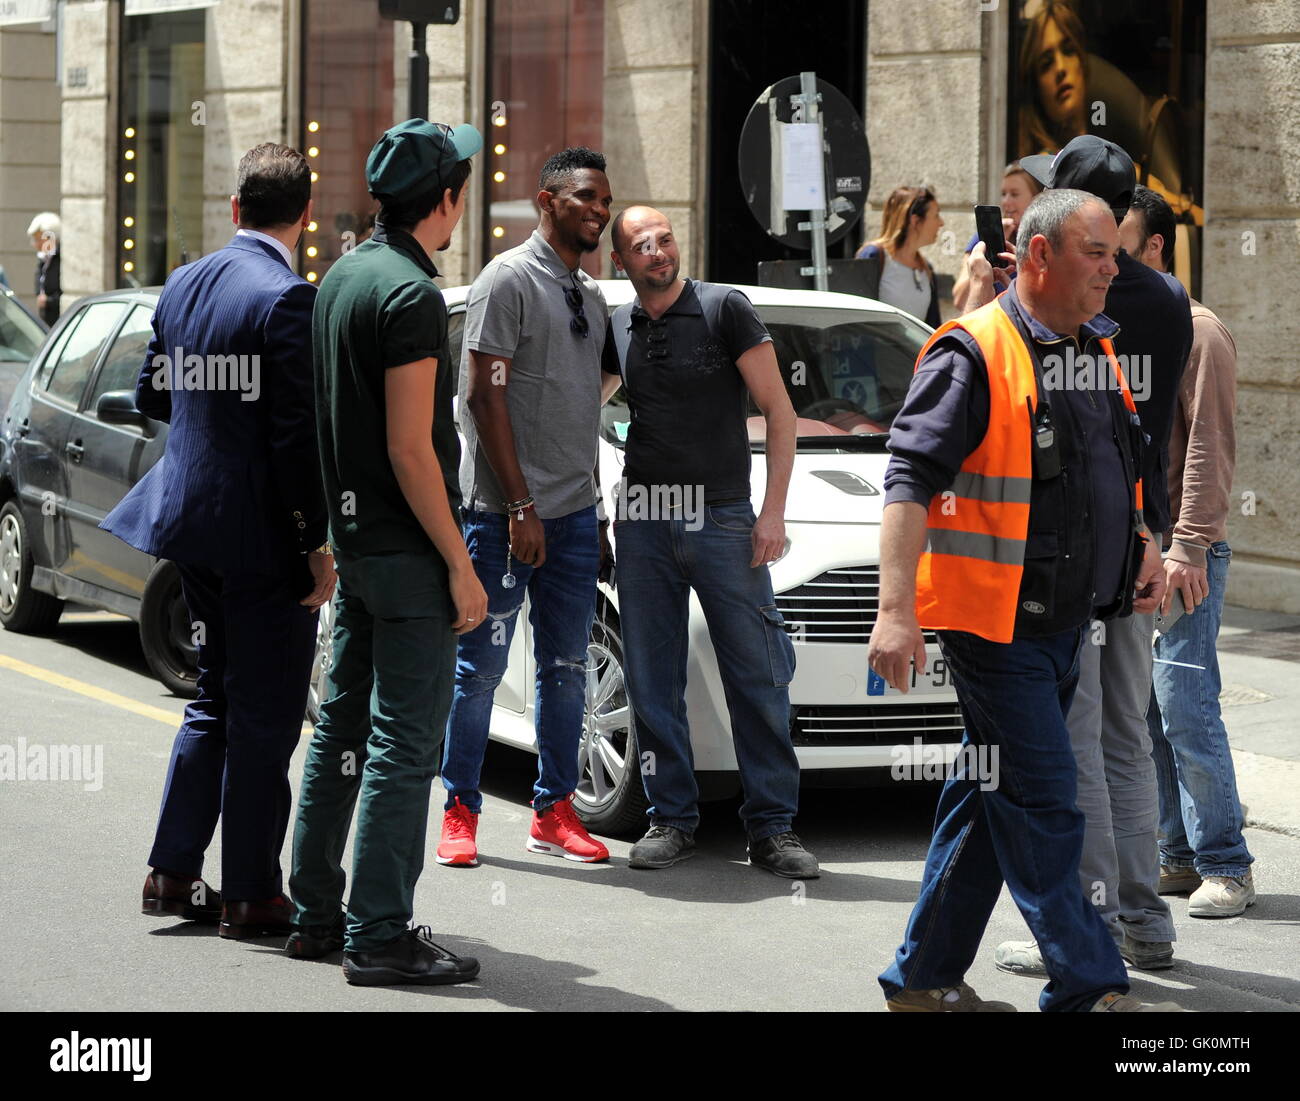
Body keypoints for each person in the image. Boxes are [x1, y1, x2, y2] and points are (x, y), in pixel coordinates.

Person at [870, 188, 1182, 1013]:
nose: (1114, 269)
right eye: (1096, 252)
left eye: (1116, 253)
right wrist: (894, 610)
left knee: (986, 792)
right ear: (1038, 256)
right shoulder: (972, 349)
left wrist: (1144, 545)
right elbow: (908, 480)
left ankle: (921, 976)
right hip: (993, 625)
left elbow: (1114, 466)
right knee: (1046, 800)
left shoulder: (1091, 348)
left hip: (1062, 622)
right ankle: (1090, 984)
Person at [102, 144, 336, 939]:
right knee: (265, 717)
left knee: (214, 699)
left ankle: (170, 873)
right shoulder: (287, 299)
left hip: (190, 523)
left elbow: (152, 395)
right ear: (304, 216)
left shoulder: (186, 281)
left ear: (236, 208)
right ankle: (249, 893)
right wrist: (315, 544)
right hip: (262, 538)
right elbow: (295, 441)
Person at [288, 119, 487, 986]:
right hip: (407, 551)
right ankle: (377, 934)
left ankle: (316, 911)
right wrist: (460, 560)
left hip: (359, 542)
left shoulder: (340, 276)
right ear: (443, 201)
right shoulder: (407, 294)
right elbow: (412, 447)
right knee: (405, 743)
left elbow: (337, 428)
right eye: (463, 191)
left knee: (341, 728)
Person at [990, 136, 1193, 979]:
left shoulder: (1066, 301)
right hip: (1136, 534)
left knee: (1076, 748)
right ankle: (1146, 919)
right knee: (1127, 740)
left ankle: (1091, 921)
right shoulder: (1172, 300)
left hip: (1071, 550)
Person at [603, 205, 817, 878]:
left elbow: (779, 412)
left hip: (724, 517)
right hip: (642, 520)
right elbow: (576, 406)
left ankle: (773, 828)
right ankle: (671, 818)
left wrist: (772, 512)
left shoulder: (726, 308)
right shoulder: (618, 324)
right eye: (642, 245)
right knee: (652, 678)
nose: (658, 252)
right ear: (622, 263)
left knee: (756, 673)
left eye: (664, 239)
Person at [436, 147, 614, 868]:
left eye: (605, 199)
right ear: (546, 202)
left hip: (573, 515)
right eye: (585, 197)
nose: (599, 210)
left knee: (567, 665)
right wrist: (520, 504)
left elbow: (590, 392)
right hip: (502, 515)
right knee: (479, 668)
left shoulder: (591, 294)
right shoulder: (506, 279)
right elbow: (484, 395)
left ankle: (555, 810)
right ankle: (459, 807)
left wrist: (587, 500)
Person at [1121, 187, 1254, 917]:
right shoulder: (1135, 328)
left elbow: (1208, 442)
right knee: (1145, 712)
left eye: (1123, 244)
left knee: (1187, 706)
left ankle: (1228, 863)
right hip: (1143, 554)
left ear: (1157, 247)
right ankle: (1175, 854)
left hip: (1185, 553)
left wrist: (1190, 545)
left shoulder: (1199, 330)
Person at [952, 163, 1042, 314]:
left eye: (1014, 194)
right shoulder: (982, 239)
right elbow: (959, 300)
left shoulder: (1044, 242)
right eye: (1003, 194)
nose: (1006, 201)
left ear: (1035, 198)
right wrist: (987, 250)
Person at [854, 186, 943, 326]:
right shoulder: (873, 256)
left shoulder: (927, 268)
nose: (941, 223)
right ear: (915, 221)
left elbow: (933, 327)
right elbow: (857, 320)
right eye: (936, 215)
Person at [27, 212, 61, 326]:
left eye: (39, 239)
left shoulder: (62, 259)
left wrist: (48, 301)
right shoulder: (44, 259)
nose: (35, 244)